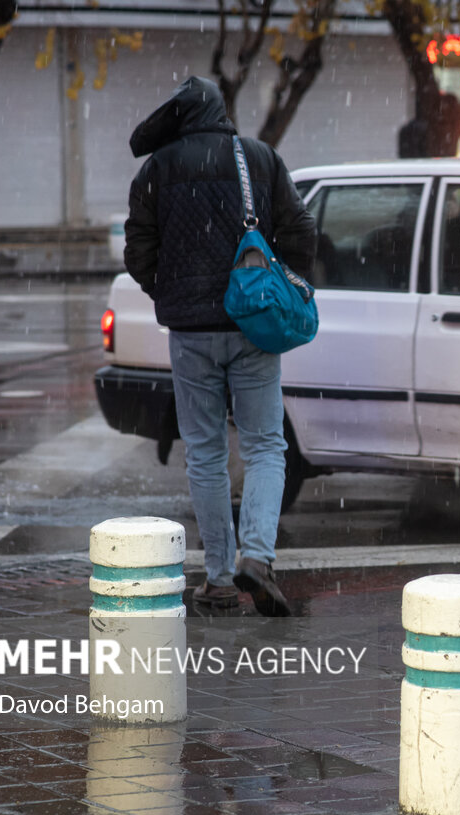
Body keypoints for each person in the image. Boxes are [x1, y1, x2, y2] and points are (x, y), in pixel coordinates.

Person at [124, 76, 316, 616]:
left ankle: (217, 579)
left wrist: (171, 291)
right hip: (252, 325)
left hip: (190, 334)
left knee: (205, 453)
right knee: (264, 445)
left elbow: (138, 251)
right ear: (222, 113)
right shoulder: (258, 158)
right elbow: (301, 231)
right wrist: (289, 282)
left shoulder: (156, 170)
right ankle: (256, 556)